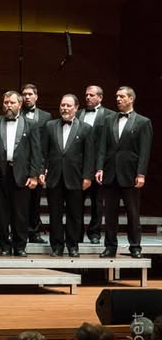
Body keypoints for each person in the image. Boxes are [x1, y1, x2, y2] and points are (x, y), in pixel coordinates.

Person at [0, 91, 42, 256]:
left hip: (22, 174)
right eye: (6, 102)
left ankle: (20, 246)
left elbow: (36, 152)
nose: (8, 106)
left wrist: (34, 175)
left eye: (12, 103)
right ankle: (4, 246)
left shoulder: (32, 124)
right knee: (1, 214)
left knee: (21, 213)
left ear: (20, 104)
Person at [96, 86, 152, 258]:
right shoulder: (109, 119)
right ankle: (110, 246)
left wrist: (141, 173)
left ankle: (135, 246)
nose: (118, 99)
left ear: (131, 99)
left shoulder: (143, 122)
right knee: (110, 213)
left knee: (132, 213)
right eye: (117, 96)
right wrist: (99, 167)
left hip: (130, 173)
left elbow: (145, 150)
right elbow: (102, 147)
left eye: (122, 96)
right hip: (111, 172)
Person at [39, 94, 95, 257]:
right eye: (62, 105)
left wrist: (87, 176)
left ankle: (73, 246)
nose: (64, 108)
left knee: (74, 214)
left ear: (76, 108)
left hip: (76, 178)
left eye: (68, 105)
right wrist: (42, 170)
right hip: (54, 177)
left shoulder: (86, 128)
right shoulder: (50, 126)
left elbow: (89, 155)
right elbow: (44, 152)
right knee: (54, 214)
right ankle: (56, 246)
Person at [21, 84, 53, 244]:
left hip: (38, 163)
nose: (26, 97)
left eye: (29, 94)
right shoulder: (16, 113)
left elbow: (46, 145)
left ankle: (34, 232)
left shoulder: (46, 117)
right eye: (24, 94)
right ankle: (19, 231)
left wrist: (43, 167)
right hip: (20, 164)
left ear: (36, 96)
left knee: (35, 201)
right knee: (19, 201)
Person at [79, 85, 110, 244]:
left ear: (100, 97)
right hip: (79, 166)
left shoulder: (110, 115)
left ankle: (94, 232)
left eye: (91, 95)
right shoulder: (78, 114)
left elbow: (109, 144)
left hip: (99, 165)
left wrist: (101, 166)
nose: (88, 98)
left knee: (97, 202)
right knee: (76, 201)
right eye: (86, 95)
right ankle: (76, 233)